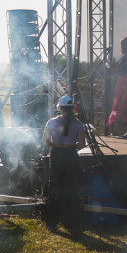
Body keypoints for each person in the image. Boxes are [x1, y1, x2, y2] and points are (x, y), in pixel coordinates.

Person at [43, 95, 86, 233]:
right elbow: (82, 144)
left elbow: (45, 140)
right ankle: (72, 224)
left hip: (56, 155)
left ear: (60, 108)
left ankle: (51, 222)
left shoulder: (51, 122)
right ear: (72, 108)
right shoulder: (78, 124)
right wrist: (71, 146)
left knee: (55, 187)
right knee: (71, 189)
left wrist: (55, 144)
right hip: (70, 155)